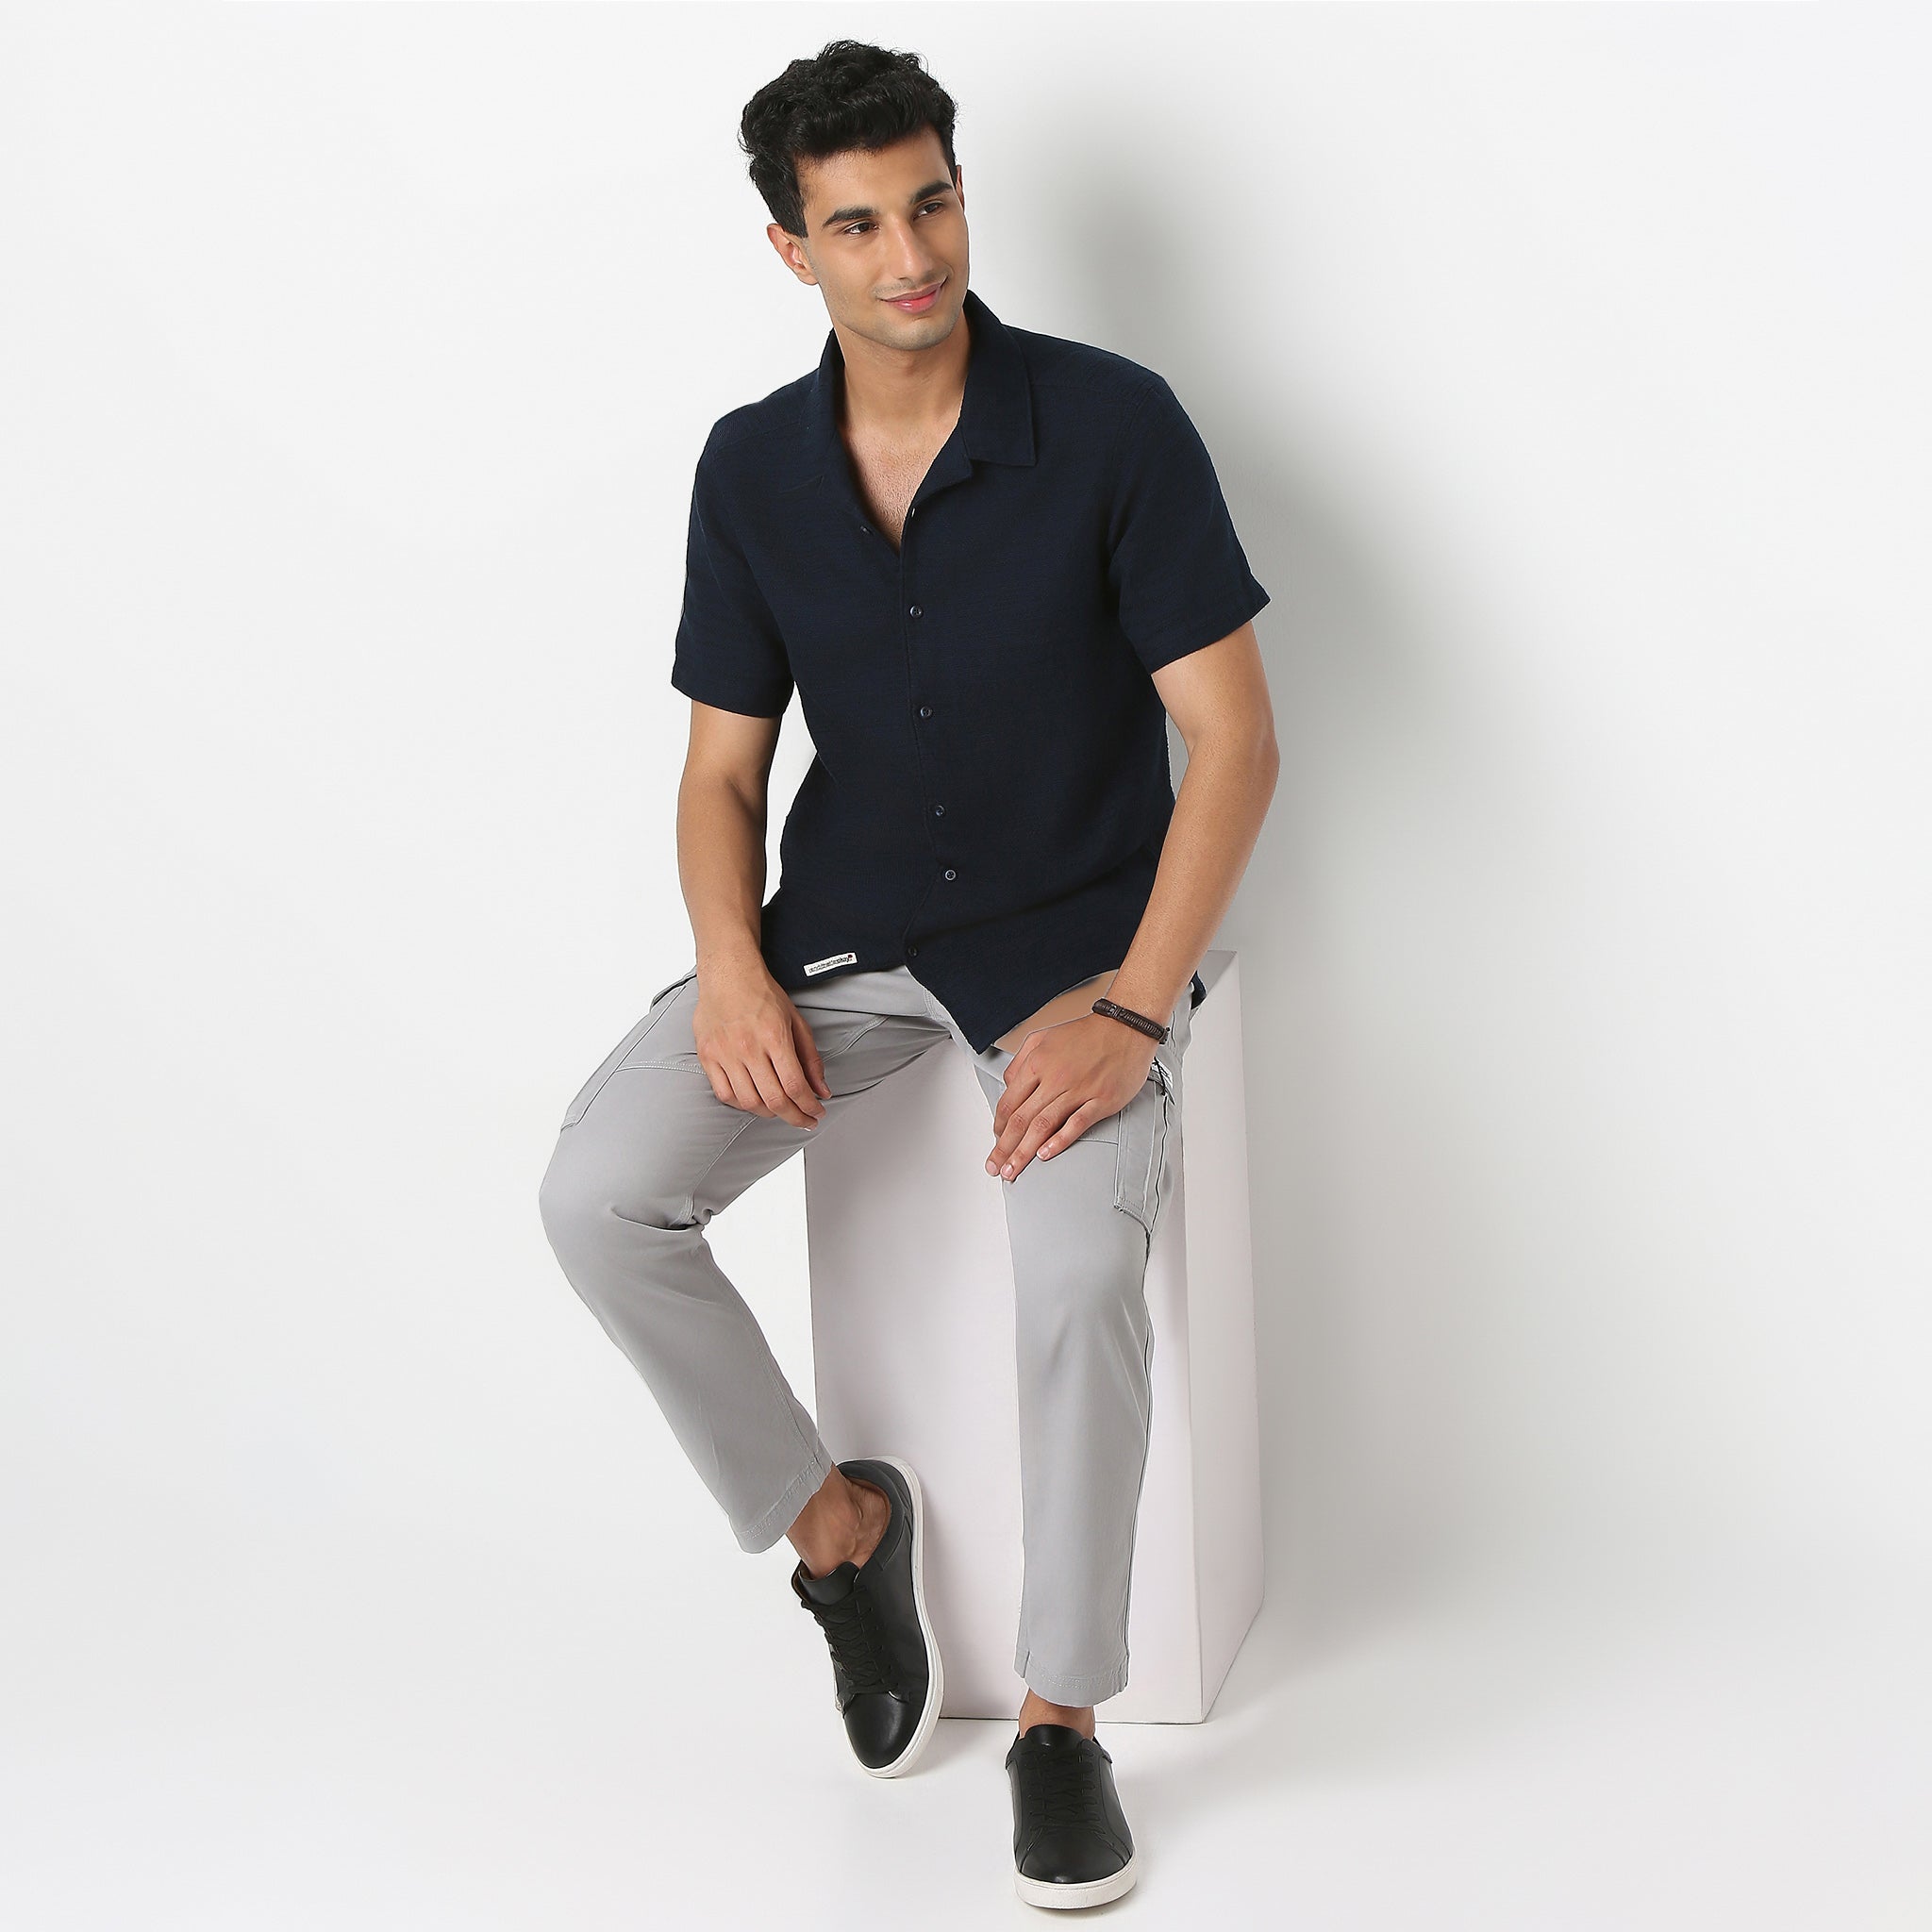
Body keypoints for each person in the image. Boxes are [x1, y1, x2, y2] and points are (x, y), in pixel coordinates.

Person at [537, 37, 1278, 1911]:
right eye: (857, 224)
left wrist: (1132, 1007)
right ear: (791, 249)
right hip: (844, 947)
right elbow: (722, 773)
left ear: (961, 192)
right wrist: (729, 965)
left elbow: (1234, 741)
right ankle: (837, 1532)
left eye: (930, 202)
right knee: (598, 1197)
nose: (911, 254)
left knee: (1079, 1273)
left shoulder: (1113, 426)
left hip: (1079, 958)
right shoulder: (750, 471)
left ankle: (1059, 1722)